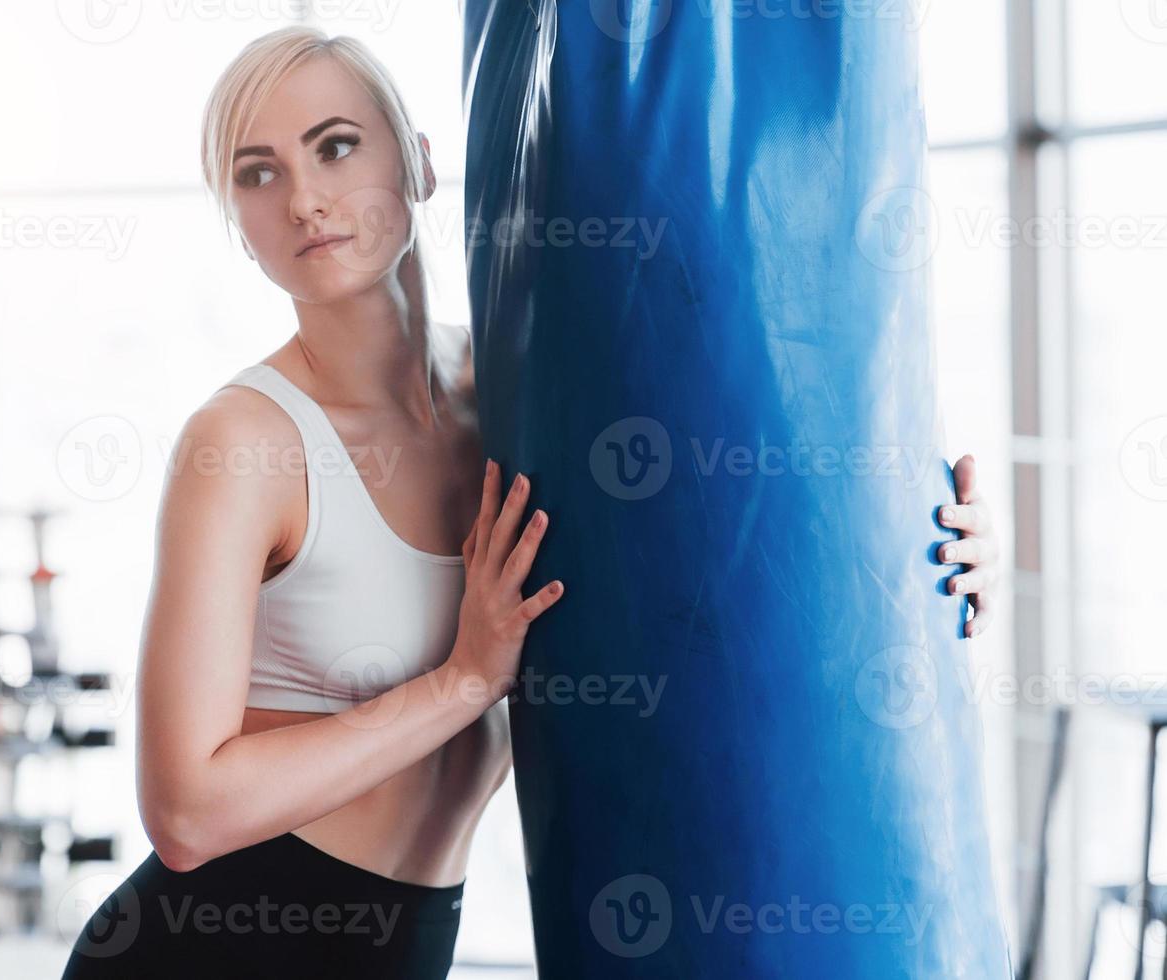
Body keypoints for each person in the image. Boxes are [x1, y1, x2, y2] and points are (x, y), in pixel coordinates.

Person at [61, 25, 1001, 979]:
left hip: (402, 950)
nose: (304, 199)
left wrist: (924, 554)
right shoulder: (244, 443)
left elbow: (728, 544)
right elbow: (186, 813)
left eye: (336, 146)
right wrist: (464, 681)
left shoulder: (523, 397)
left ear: (420, 164)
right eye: (258, 174)